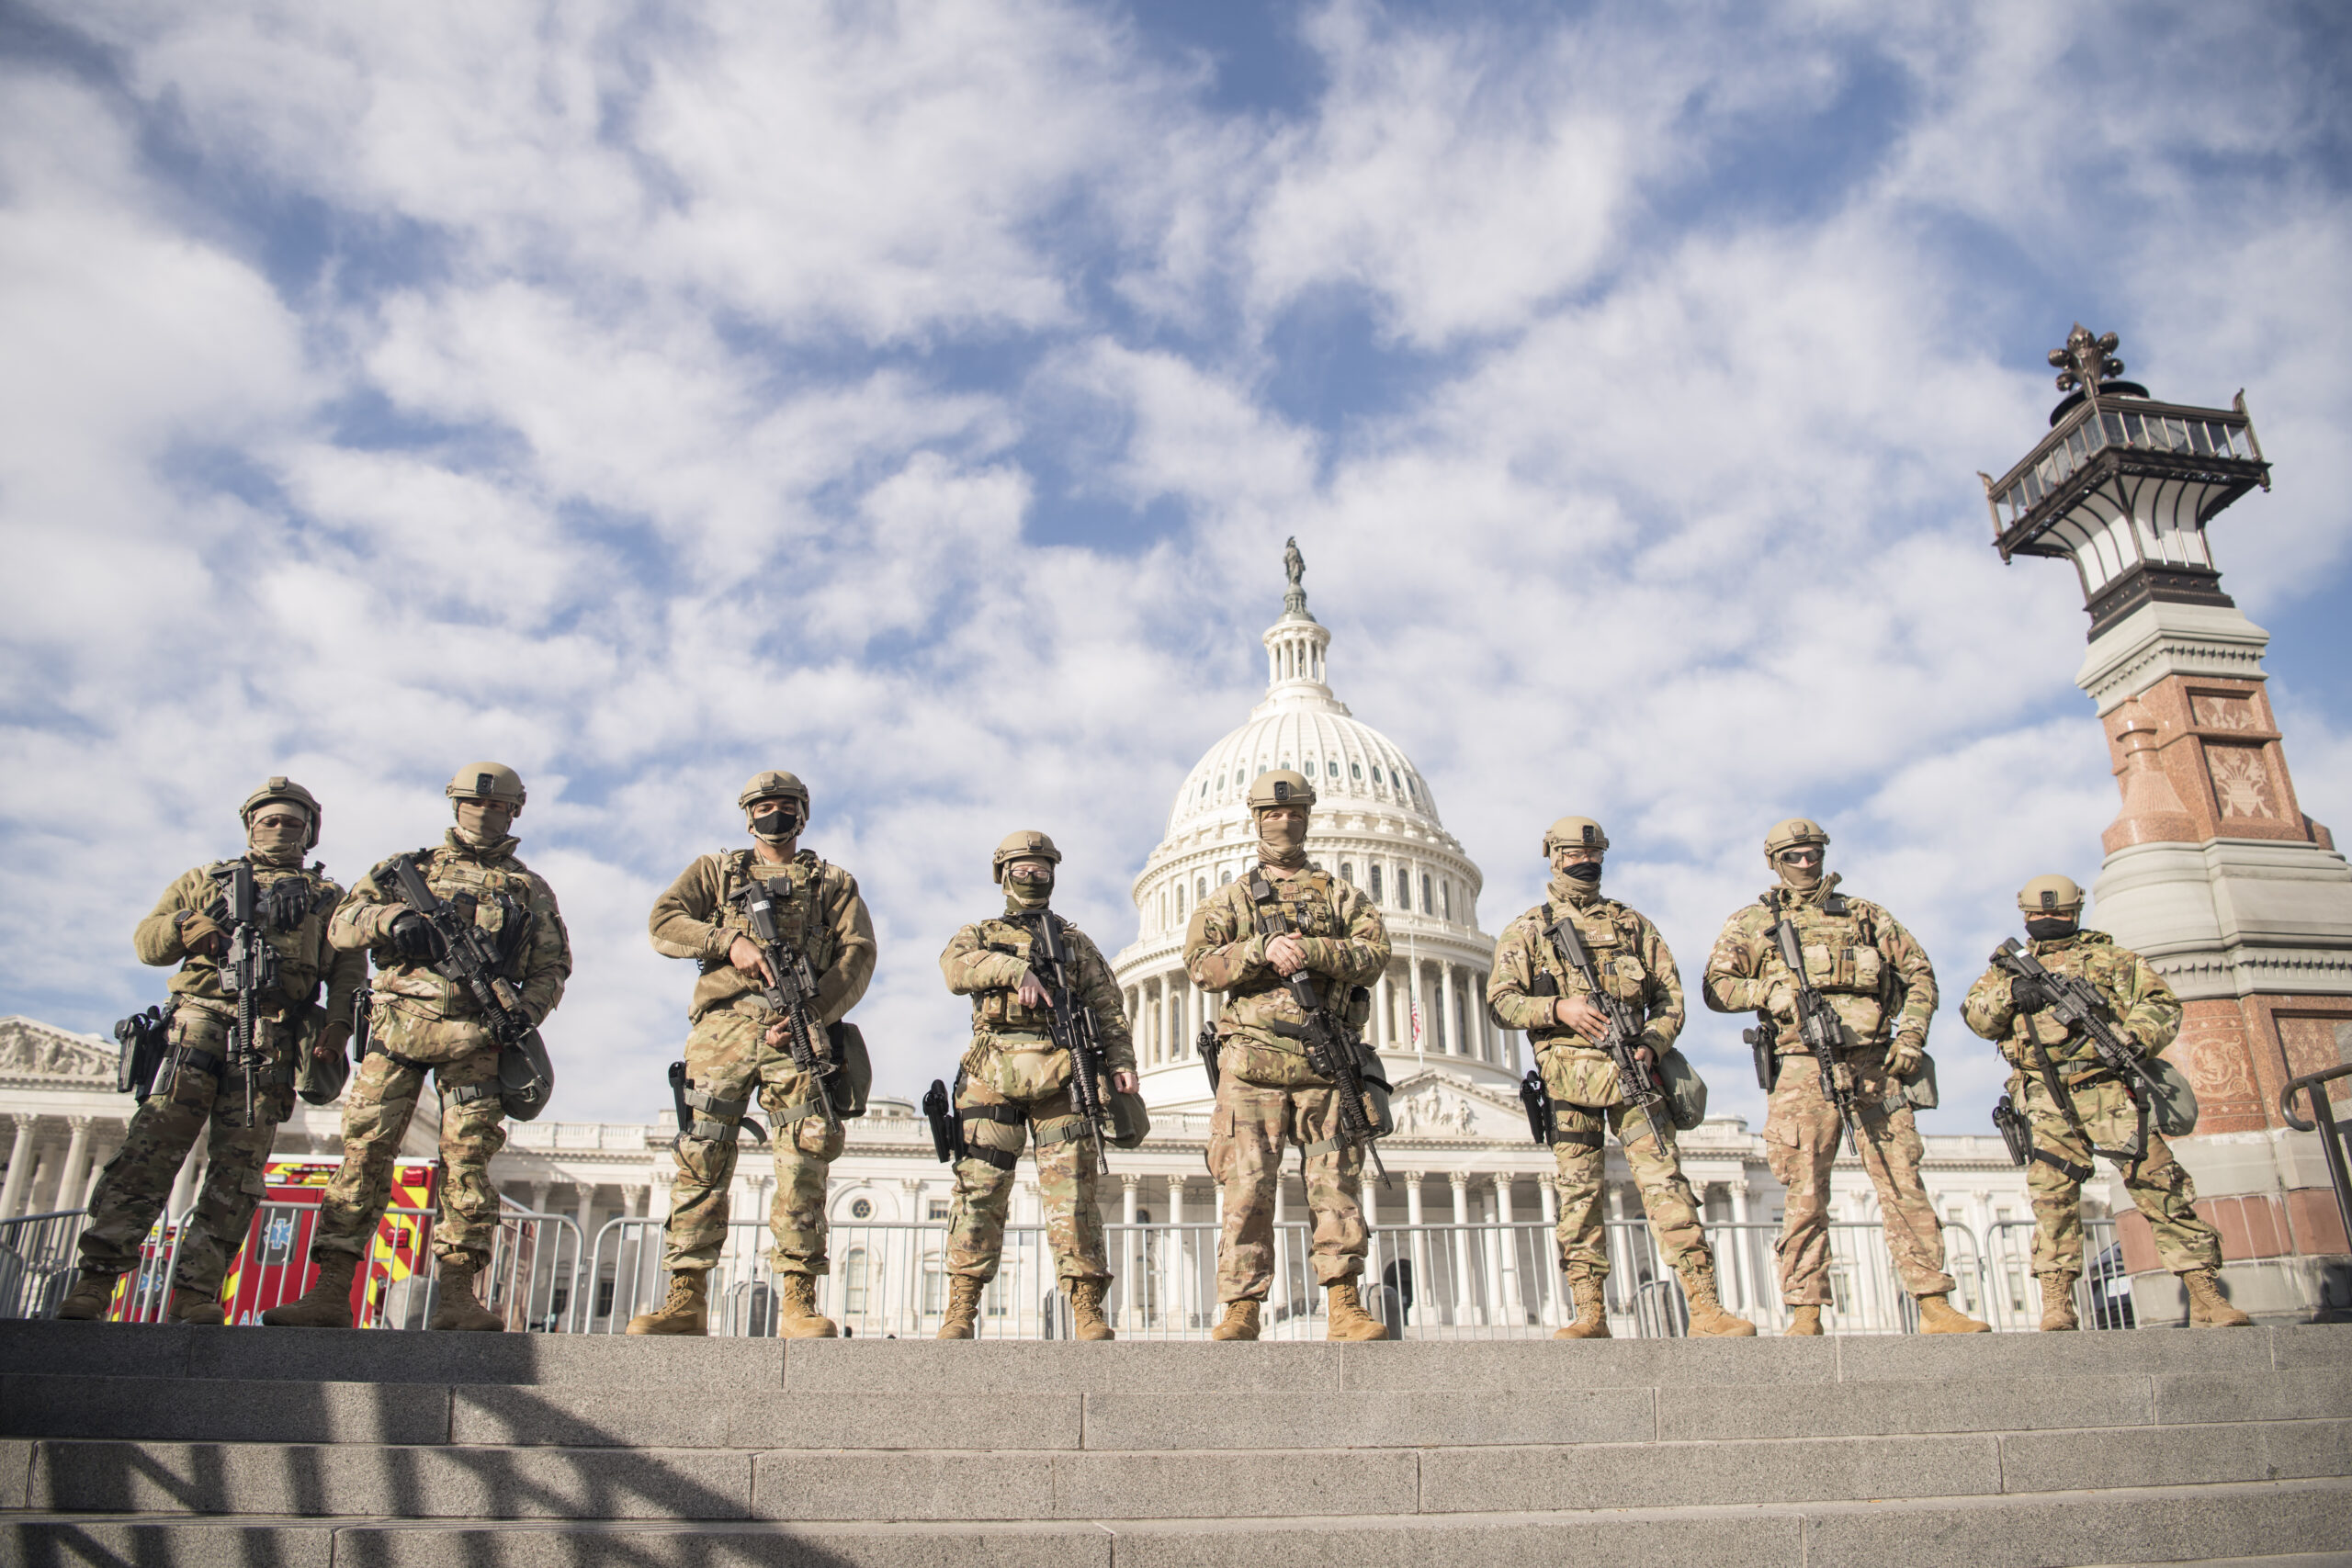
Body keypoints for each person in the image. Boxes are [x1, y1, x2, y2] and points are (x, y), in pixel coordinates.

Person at [265, 763, 571, 1332]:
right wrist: (393, 919)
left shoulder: (529, 888)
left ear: (515, 812)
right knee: (363, 1154)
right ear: (454, 807)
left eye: (498, 808)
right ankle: (330, 1289)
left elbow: (553, 966)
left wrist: (522, 1014)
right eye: (474, 807)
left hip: (477, 1039)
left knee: (467, 1165)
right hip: (398, 1031)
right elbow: (342, 926)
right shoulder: (406, 870)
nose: (485, 817)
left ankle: (457, 1294)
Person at [58, 780, 361, 1324]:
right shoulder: (202, 881)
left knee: (238, 1171)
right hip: (196, 1022)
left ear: (310, 833)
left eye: (293, 822)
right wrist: (186, 926)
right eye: (269, 820)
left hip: (271, 1033)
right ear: (250, 824)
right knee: (150, 1152)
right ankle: (97, 1281)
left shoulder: (327, 898)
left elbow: (347, 973)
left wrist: (336, 1030)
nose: (280, 829)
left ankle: (197, 1291)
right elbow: (148, 943)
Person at [1702, 818, 1988, 1335]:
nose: (1805, 864)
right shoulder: (1752, 922)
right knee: (1804, 1189)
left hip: (1877, 1063)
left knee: (1903, 1181)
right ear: (1775, 862)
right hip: (1803, 1067)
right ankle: (1806, 1309)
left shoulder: (1866, 915)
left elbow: (1919, 975)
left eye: (1812, 853)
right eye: (1794, 856)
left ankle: (1933, 1303)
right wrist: (1767, 993)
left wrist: (1911, 1037)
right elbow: (1717, 987)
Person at [627, 770, 876, 1337]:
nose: (775, 814)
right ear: (747, 815)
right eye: (764, 805)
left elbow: (857, 954)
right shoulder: (715, 872)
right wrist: (727, 942)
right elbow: (664, 922)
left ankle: (798, 1301)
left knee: (804, 1163)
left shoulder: (832, 882)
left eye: (786, 805)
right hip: (724, 1031)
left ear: (803, 814)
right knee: (701, 1158)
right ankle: (685, 1299)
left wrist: (815, 1012)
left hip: (798, 1031)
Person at [1486, 817, 1754, 1338]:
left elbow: (1670, 999)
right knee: (1578, 1198)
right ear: (1554, 856)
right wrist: (1559, 1008)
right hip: (1568, 1082)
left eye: (1594, 852)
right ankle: (1589, 1312)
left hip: (1634, 1075)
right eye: (1572, 853)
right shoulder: (1528, 930)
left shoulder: (1633, 926)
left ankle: (1704, 1305)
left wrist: (1652, 1046)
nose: (1585, 861)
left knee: (1666, 1185)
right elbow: (1501, 1003)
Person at [1962, 874, 2249, 1330]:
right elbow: (1976, 1017)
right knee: (2052, 1199)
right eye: (2039, 914)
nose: (2047, 920)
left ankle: (2205, 1292)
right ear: (2026, 916)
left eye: (2056, 913)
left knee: (2159, 1185)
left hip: (2110, 1088)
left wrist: (2134, 1037)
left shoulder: (2114, 959)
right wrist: (2010, 994)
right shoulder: (2002, 970)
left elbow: (2161, 1005)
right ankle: (2057, 1300)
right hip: (2043, 1095)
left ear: (2075, 913)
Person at [1186, 769, 1391, 1342]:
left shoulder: (1342, 895)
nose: (1284, 821)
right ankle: (1242, 1304)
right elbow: (1201, 966)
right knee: (1247, 1188)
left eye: (1294, 811)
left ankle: (1345, 1302)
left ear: (1307, 816)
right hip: (1253, 1065)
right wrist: (1260, 949)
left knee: (1336, 1189)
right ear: (1256, 819)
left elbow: (1375, 953)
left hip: (1326, 1064)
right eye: (1273, 813)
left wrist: (1314, 949)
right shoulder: (1229, 899)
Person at [933, 830, 1138, 1340]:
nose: (1032, 875)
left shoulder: (1075, 942)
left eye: (1042, 867)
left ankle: (1086, 1306)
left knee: (1073, 1196)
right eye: (1022, 867)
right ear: (1003, 874)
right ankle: (962, 1307)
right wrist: (1014, 968)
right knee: (978, 1192)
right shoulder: (978, 933)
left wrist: (1120, 1061)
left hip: (1062, 1075)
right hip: (992, 1073)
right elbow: (954, 969)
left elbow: (1108, 1006)